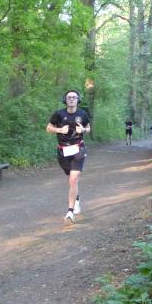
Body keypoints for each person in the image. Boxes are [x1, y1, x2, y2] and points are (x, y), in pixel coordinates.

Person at [46, 90, 91, 224]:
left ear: (78, 100)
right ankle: (76, 198)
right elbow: (48, 128)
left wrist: (84, 130)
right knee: (71, 179)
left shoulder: (82, 114)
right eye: (69, 97)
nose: (71, 99)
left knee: (73, 179)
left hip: (78, 149)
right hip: (63, 151)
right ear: (65, 100)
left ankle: (70, 212)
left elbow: (88, 128)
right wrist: (60, 130)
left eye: (74, 97)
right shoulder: (58, 114)